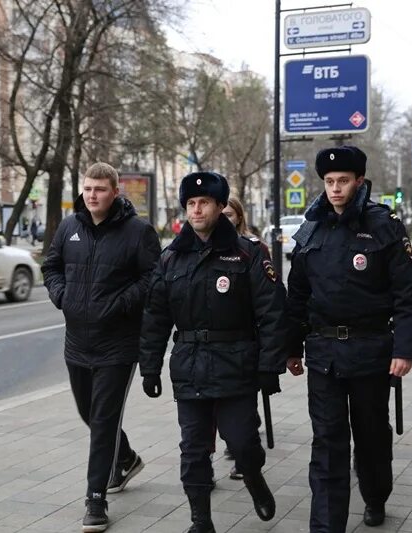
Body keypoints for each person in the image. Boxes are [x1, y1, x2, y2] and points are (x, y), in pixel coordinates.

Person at [285, 146, 412, 532]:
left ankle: (376, 494)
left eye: (343, 181)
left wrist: (405, 351)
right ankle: (327, 526)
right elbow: (296, 295)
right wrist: (290, 347)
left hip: (371, 352)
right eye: (329, 182)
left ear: (359, 181)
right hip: (324, 355)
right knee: (327, 443)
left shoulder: (384, 227)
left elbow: (409, 296)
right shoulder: (311, 230)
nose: (335, 189)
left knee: (371, 437)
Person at [140, 172, 288, 533]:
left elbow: (271, 312)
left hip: (236, 364)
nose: (196, 210)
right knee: (193, 450)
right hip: (189, 365)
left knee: (242, 442)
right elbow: (156, 316)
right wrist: (149, 367)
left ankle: (253, 475)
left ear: (221, 207)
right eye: (190, 204)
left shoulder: (246, 253)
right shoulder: (170, 259)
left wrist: (270, 366)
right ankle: (200, 520)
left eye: (204, 203)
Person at [42, 162, 161, 532]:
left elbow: (152, 279)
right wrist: (63, 297)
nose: (92, 195)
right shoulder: (69, 227)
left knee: (103, 421)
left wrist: (121, 303)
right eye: (88, 189)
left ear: (115, 192)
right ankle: (125, 458)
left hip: (118, 345)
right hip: (77, 341)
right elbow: (51, 266)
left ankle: (96, 499)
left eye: (100, 189)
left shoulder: (137, 232)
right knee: (90, 415)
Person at [217, 196, 259, 480]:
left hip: (244, 339)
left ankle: (244, 451)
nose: (225, 219)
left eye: (230, 215)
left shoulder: (251, 248)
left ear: (239, 218)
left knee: (240, 404)